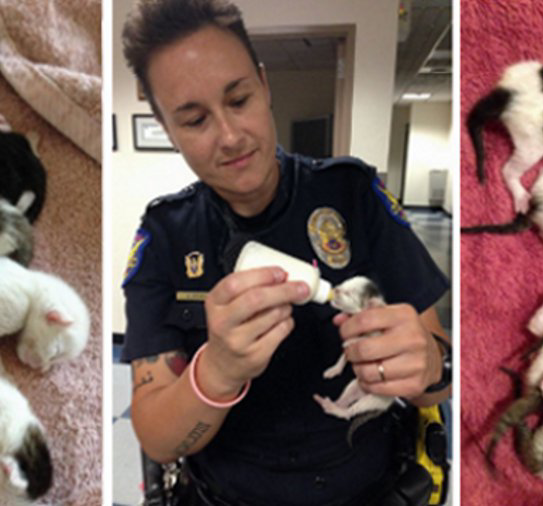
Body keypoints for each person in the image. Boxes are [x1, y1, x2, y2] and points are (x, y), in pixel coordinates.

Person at [120, 0, 451, 504]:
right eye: (194, 120)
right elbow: (158, 439)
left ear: (264, 85)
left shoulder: (354, 195)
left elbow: (439, 380)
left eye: (238, 100)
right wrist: (218, 371)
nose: (230, 137)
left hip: (370, 488)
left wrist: (428, 363)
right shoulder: (164, 237)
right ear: (168, 131)